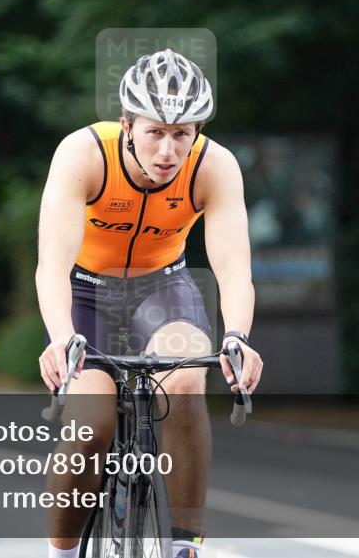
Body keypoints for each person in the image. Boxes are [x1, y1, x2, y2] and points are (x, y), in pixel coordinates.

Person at [36, 49, 264, 558]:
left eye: (182, 133)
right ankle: (62, 552)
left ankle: (186, 546)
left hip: (162, 290)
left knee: (183, 383)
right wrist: (59, 337)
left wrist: (237, 337)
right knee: (92, 425)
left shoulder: (215, 165)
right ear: (127, 124)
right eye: (155, 131)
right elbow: (52, 264)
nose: (168, 149)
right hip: (86, 292)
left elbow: (233, 267)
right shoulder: (84, 154)